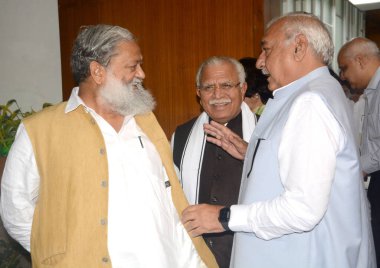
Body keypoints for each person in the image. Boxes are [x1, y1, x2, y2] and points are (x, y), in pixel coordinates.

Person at [0, 24, 218, 268]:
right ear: (98, 72)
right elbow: (15, 210)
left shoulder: (145, 121)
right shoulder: (39, 130)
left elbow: (168, 198)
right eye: (132, 66)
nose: (142, 74)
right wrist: (61, 255)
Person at [182, 13, 376, 268]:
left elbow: (302, 209)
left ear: (299, 47)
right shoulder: (319, 92)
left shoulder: (310, 103)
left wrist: (224, 217)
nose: (260, 63)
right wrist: (254, 153)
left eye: (267, 50)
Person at [171, 56, 256, 267]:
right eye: (209, 87)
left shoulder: (264, 134)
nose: (218, 95)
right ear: (199, 94)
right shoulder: (181, 136)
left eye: (227, 85)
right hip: (196, 255)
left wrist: (254, 154)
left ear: (243, 88)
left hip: (250, 252)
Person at [338, 37, 380, 265]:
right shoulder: (372, 90)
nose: (343, 76)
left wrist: (356, 169)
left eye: (344, 68)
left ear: (361, 60)